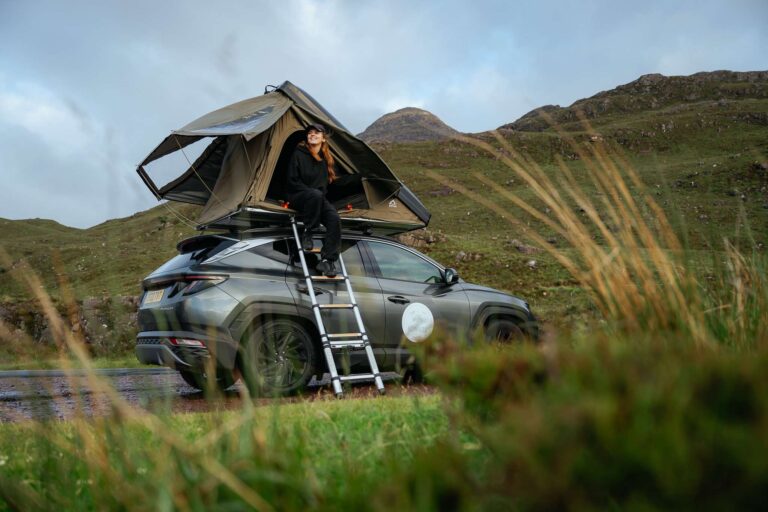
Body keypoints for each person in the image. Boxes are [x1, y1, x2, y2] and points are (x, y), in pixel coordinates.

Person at [287, 123, 341, 276]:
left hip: (317, 198)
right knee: (315, 195)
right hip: (297, 195)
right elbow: (292, 180)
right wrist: (312, 193)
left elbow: (332, 183)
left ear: (323, 139)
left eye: (317, 132)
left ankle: (327, 260)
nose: (312, 134)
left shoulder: (326, 159)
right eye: (310, 132)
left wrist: (362, 179)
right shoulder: (298, 154)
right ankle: (308, 232)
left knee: (334, 218)